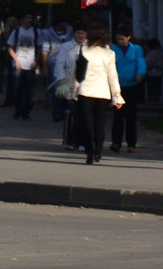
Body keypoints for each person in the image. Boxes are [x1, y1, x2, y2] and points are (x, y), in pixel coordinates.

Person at [75, 25, 123, 165]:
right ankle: (98, 151)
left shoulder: (84, 50)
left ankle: (90, 151)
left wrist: (72, 91)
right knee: (99, 123)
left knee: (87, 123)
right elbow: (112, 76)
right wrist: (117, 96)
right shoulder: (109, 54)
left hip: (85, 90)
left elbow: (78, 74)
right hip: (102, 92)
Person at [49, 26, 87, 149]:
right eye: (78, 32)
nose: (80, 36)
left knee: (85, 115)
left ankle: (83, 141)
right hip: (70, 85)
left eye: (83, 33)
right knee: (72, 114)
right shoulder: (66, 47)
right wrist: (64, 82)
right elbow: (60, 65)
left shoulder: (90, 47)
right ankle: (70, 141)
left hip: (87, 85)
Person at [110, 26, 146, 153]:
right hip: (118, 86)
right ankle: (116, 142)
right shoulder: (113, 50)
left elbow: (141, 63)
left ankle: (131, 143)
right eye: (118, 39)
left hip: (132, 86)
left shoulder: (137, 49)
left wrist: (140, 74)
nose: (120, 41)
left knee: (131, 116)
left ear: (128, 37)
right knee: (117, 116)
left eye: (122, 39)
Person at [7, 14, 42, 119]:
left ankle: (26, 112)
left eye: (31, 18)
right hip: (19, 64)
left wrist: (36, 60)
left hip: (30, 65)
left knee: (28, 90)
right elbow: (10, 47)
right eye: (27, 18)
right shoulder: (16, 32)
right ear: (22, 20)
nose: (29, 20)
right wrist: (16, 60)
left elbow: (39, 47)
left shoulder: (36, 32)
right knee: (16, 89)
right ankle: (18, 109)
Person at [40, 15, 73, 121]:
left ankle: (67, 111)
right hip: (54, 63)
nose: (65, 26)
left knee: (68, 88)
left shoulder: (70, 31)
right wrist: (45, 67)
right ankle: (57, 113)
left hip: (68, 63)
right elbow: (45, 51)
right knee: (57, 89)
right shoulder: (48, 33)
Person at [144, 37, 163, 104]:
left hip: (154, 74)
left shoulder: (153, 53)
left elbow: (146, 63)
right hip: (157, 73)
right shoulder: (159, 52)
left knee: (154, 91)